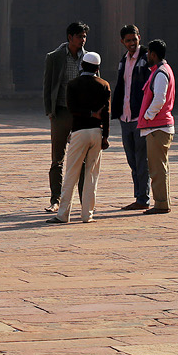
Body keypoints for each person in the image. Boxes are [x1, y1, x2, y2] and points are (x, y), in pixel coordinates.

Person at [49, 51, 110, 223]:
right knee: (91, 175)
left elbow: (72, 109)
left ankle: (63, 215)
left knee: (71, 173)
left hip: (79, 131)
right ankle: (87, 215)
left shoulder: (73, 84)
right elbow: (106, 113)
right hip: (97, 132)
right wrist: (105, 136)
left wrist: (87, 114)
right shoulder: (104, 85)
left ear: (82, 65)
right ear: (98, 68)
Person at [41, 21, 88, 213]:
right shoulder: (55, 57)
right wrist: (50, 112)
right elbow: (48, 84)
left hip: (81, 114)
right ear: (70, 38)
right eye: (80, 36)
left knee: (82, 159)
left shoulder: (89, 58)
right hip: (60, 111)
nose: (83, 40)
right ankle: (56, 199)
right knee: (57, 159)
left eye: (84, 36)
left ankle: (84, 199)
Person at [110, 24, 152, 211]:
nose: (132, 43)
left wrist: (147, 113)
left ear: (139, 38)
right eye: (128, 40)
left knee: (141, 159)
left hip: (139, 117)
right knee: (132, 160)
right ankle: (139, 195)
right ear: (122, 42)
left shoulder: (146, 59)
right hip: (126, 117)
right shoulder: (123, 60)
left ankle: (143, 198)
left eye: (134, 39)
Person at [137, 39, 176, 215]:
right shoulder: (161, 71)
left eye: (148, 54)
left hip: (157, 127)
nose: (147, 57)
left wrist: (148, 115)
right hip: (159, 126)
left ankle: (161, 203)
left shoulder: (160, 73)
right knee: (160, 167)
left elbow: (159, 99)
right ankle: (162, 201)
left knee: (157, 169)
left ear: (153, 54)